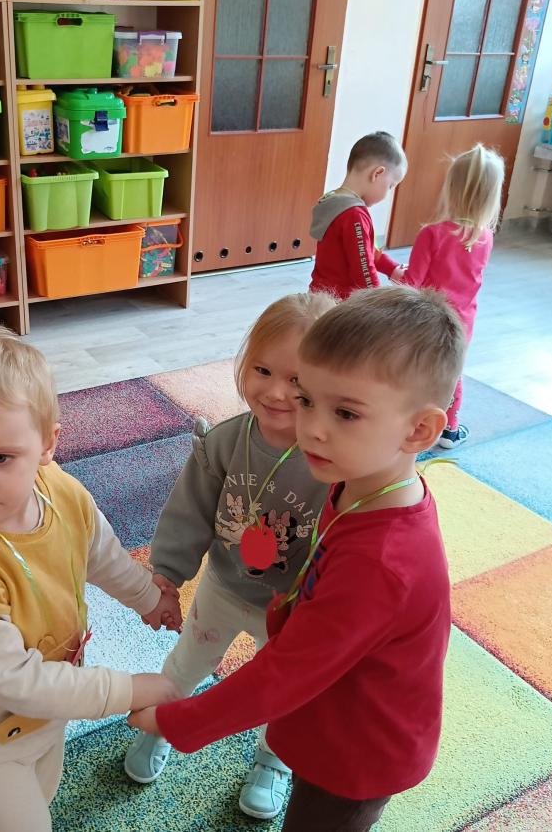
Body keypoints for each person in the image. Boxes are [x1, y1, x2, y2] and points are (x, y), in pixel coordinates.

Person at [129, 286, 466, 832]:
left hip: (355, 752)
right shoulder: (359, 483)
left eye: (346, 412)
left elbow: (284, 675)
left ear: (420, 430)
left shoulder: (381, 561)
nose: (312, 427)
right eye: (309, 400)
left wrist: (177, 721)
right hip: (321, 711)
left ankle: (270, 764)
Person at [0, 322, 181, 832]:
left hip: (47, 709)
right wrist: (131, 689)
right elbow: (21, 682)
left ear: (47, 445)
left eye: (1, 458)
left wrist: (147, 597)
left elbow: (100, 553)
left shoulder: (62, 492)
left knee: (43, 794)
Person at [124, 292, 336, 821]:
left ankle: (273, 760)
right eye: (262, 370)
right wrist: (166, 575)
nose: (276, 392)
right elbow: (189, 510)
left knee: (285, 693)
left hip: (290, 611)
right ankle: (161, 724)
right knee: (187, 662)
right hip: (222, 587)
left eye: (298, 382)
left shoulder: (333, 464)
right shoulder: (223, 442)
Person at [402, 143, 505, 448]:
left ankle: (408, 418)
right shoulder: (485, 237)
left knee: (417, 368)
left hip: (427, 319)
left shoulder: (432, 234)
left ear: (451, 189)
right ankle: (450, 428)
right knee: (452, 372)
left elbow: (410, 284)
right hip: (463, 321)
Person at [309, 131, 407, 298]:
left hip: (319, 298)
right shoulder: (354, 215)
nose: (388, 193)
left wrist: (392, 268)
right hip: (341, 304)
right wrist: (377, 302)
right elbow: (364, 271)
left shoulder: (333, 200)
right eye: (391, 186)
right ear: (377, 174)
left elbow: (366, 251)